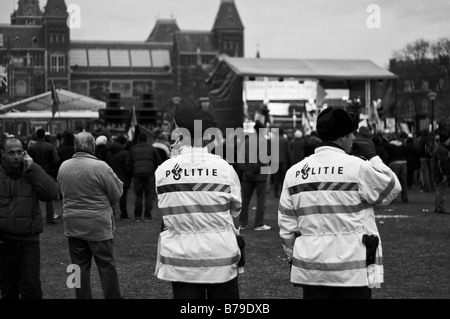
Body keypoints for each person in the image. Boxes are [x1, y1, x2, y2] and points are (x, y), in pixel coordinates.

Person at [278, 107, 401, 299]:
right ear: (342, 136)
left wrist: (296, 256)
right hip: (354, 269)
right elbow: (392, 189)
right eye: (352, 133)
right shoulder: (359, 167)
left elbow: (286, 226)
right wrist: (373, 157)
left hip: (311, 269)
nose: (354, 138)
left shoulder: (293, 173)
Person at [154, 108, 242, 299]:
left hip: (181, 259)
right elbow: (236, 210)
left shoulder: (163, 171)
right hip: (220, 256)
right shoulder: (225, 169)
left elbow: (165, 207)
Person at [57, 132, 123, 299]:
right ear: (92, 147)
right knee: (106, 265)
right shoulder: (100, 167)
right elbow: (117, 193)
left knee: (77, 267)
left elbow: (62, 191)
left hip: (73, 223)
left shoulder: (63, 166)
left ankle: (81, 296)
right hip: (98, 225)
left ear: (75, 146)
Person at [0, 137, 59, 299]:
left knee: (31, 287)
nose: (16, 156)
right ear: (2, 154)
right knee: (8, 289)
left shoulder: (31, 171)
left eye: (19, 152)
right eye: (11, 153)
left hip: (29, 240)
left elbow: (51, 193)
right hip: (5, 241)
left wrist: (34, 168)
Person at [238, 120, 271, 231]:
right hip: (260, 175)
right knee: (261, 200)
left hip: (247, 175)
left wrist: (247, 170)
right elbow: (263, 158)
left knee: (245, 200)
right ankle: (258, 224)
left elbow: (240, 157)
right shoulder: (263, 141)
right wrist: (254, 170)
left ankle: (242, 223)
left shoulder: (246, 141)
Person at [27, 128, 60, 224]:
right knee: (49, 196)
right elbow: (56, 159)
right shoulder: (50, 146)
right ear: (44, 136)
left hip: (34, 173)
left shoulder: (32, 147)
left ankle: (32, 218)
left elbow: (27, 159)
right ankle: (50, 218)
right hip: (47, 172)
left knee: (32, 195)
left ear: (37, 135)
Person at [126, 132, 161, 222]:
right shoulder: (152, 148)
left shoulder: (133, 149)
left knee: (138, 196)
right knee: (148, 195)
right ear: (146, 139)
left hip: (137, 174)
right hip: (149, 174)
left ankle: (137, 216)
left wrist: (132, 173)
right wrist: (153, 171)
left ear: (138, 139)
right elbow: (158, 161)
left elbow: (129, 163)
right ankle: (147, 216)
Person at [106, 134, 132, 220]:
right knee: (123, 197)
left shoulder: (109, 152)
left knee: (110, 196)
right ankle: (124, 214)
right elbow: (127, 166)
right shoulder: (124, 153)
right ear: (124, 143)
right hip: (123, 177)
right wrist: (129, 175)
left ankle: (111, 212)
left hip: (111, 176)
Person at [387, 132, 409, 203]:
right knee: (404, 181)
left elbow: (389, 156)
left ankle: (392, 198)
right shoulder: (403, 145)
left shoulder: (390, 145)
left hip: (394, 163)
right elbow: (406, 154)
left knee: (394, 182)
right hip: (403, 162)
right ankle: (404, 198)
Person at [432, 132, 450, 214]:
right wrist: (444, 174)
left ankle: (437, 207)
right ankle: (440, 207)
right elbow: (442, 163)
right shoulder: (443, 150)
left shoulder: (438, 148)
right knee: (442, 190)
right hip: (441, 174)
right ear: (445, 140)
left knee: (439, 190)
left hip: (437, 173)